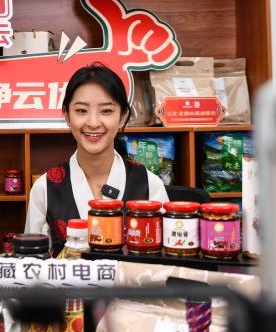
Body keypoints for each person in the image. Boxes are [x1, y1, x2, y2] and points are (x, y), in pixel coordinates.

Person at [26, 63, 169, 255]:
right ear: (67, 116)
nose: (93, 123)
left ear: (122, 117)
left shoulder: (150, 184)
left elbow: (166, 263)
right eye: (81, 111)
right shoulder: (45, 188)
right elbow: (33, 264)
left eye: (106, 111)